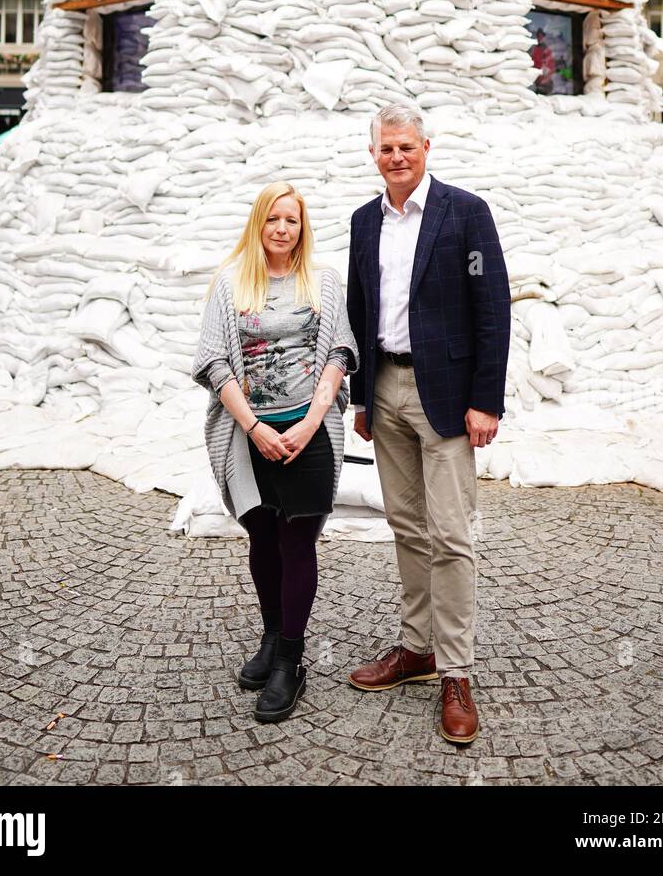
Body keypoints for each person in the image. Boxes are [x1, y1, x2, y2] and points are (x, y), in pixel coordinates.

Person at [345, 103, 512, 744]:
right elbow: (362, 308)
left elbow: (492, 306)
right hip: (384, 387)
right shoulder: (365, 222)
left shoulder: (464, 212)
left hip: (444, 395)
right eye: (387, 148)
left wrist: (486, 401)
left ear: (426, 148)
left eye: (407, 147)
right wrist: (362, 397)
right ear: (374, 153)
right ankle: (415, 649)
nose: (397, 157)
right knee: (406, 526)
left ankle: (456, 671)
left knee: (451, 534)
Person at [191, 181, 359, 723]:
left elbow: (339, 351)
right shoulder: (231, 284)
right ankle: (270, 635)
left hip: (308, 430)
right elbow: (214, 362)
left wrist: (311, 423)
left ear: (302, 227)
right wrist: (255, 426)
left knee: (298, 538)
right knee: (262, 535)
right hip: (249, 434)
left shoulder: (324, 282)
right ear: (258, 225)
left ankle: (291, 658)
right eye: (273, 220)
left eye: (292, 220)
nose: (282, 229)